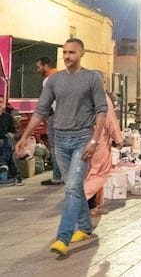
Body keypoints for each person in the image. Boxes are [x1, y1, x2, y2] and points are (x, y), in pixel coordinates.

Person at [15, 38, 107, 257]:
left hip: (82, 140)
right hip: (60, 141)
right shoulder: (54, 80)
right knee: (73, 187)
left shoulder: (92, 78)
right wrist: (25, 136)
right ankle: (84, 227)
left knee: (72, 187)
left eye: (72, 52)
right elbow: (40, 111)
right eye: (65, 52)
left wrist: (94, 141)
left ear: (82, 53)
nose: (67, 56)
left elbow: (102, 111)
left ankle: (63, 237)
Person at [84, 74, 123, 216]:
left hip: (82, 140)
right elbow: (110, 121)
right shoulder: (102, 98)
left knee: (89, 172)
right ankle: (84, 200)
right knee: (99, 172)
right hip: (98, 140)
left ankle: (94, 205)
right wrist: (118, 139)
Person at [36, 56, 62, 186]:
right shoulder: (63, 76)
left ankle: (57, 177)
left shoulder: (48, 80)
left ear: (46, 66)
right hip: (68, 117)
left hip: (56, 117)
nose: (37, 70)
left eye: (39, 67)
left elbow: (47, 102)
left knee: (55, 148)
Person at [0, 95, 23, 185]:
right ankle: (16, 175)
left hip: (5, 142)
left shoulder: (8, 117)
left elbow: (14, 133)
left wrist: (11, 135)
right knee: (10, 152)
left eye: (1, 102)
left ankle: (3, 163)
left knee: (9, 141)